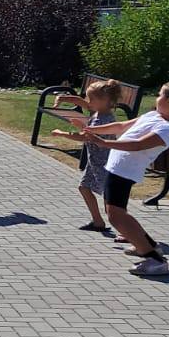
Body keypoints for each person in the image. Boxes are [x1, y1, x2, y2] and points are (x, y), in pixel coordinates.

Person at [77, 82, 169, 277]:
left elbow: (138, 145)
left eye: (160, 95)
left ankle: (155, 261)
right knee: (117, 213)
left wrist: (104, 143)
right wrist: (92, 130)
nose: (156, 98)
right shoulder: (154, 115)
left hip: (124, 172)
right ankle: (150, 247)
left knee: (115, 216)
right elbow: (122, 126)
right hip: (115, 168)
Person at [48, 79, 124, 233]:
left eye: (91, 99)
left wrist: (62, 133)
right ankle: (98, 222)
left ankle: (125, 230)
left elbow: (84, 137)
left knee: (109, 200)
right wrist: (64, 99)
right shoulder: (100, 112)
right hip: (94, 161)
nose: (88, 102)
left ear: (104, 101)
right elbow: (84, 110)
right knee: (84, 187)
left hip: (104, 163)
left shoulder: (103, 119)